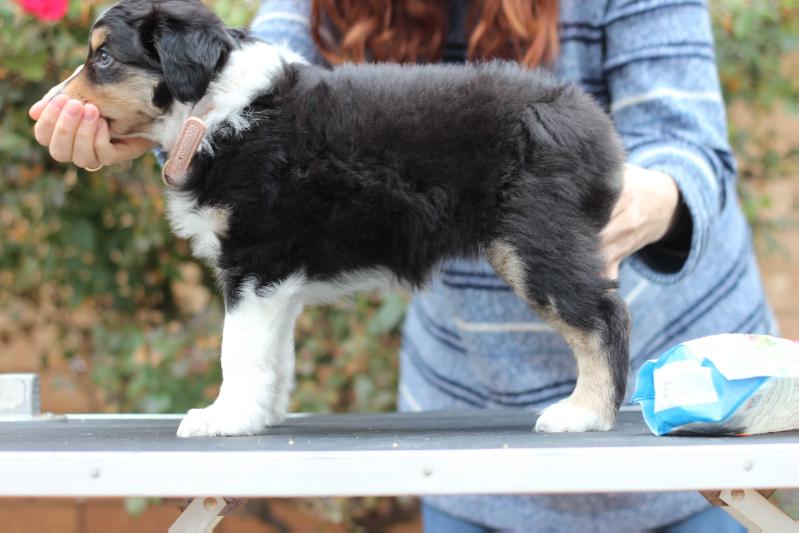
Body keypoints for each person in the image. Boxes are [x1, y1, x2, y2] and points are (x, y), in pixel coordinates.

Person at [30, 0, 774, 530]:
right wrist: (166, 131)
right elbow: (258, 77)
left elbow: (690, 141)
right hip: (466, 432)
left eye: (96, 63)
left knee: (549, 271)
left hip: (688, 427)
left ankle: (599, 379)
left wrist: (654, 194)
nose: (79, 81)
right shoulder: (222, 70)